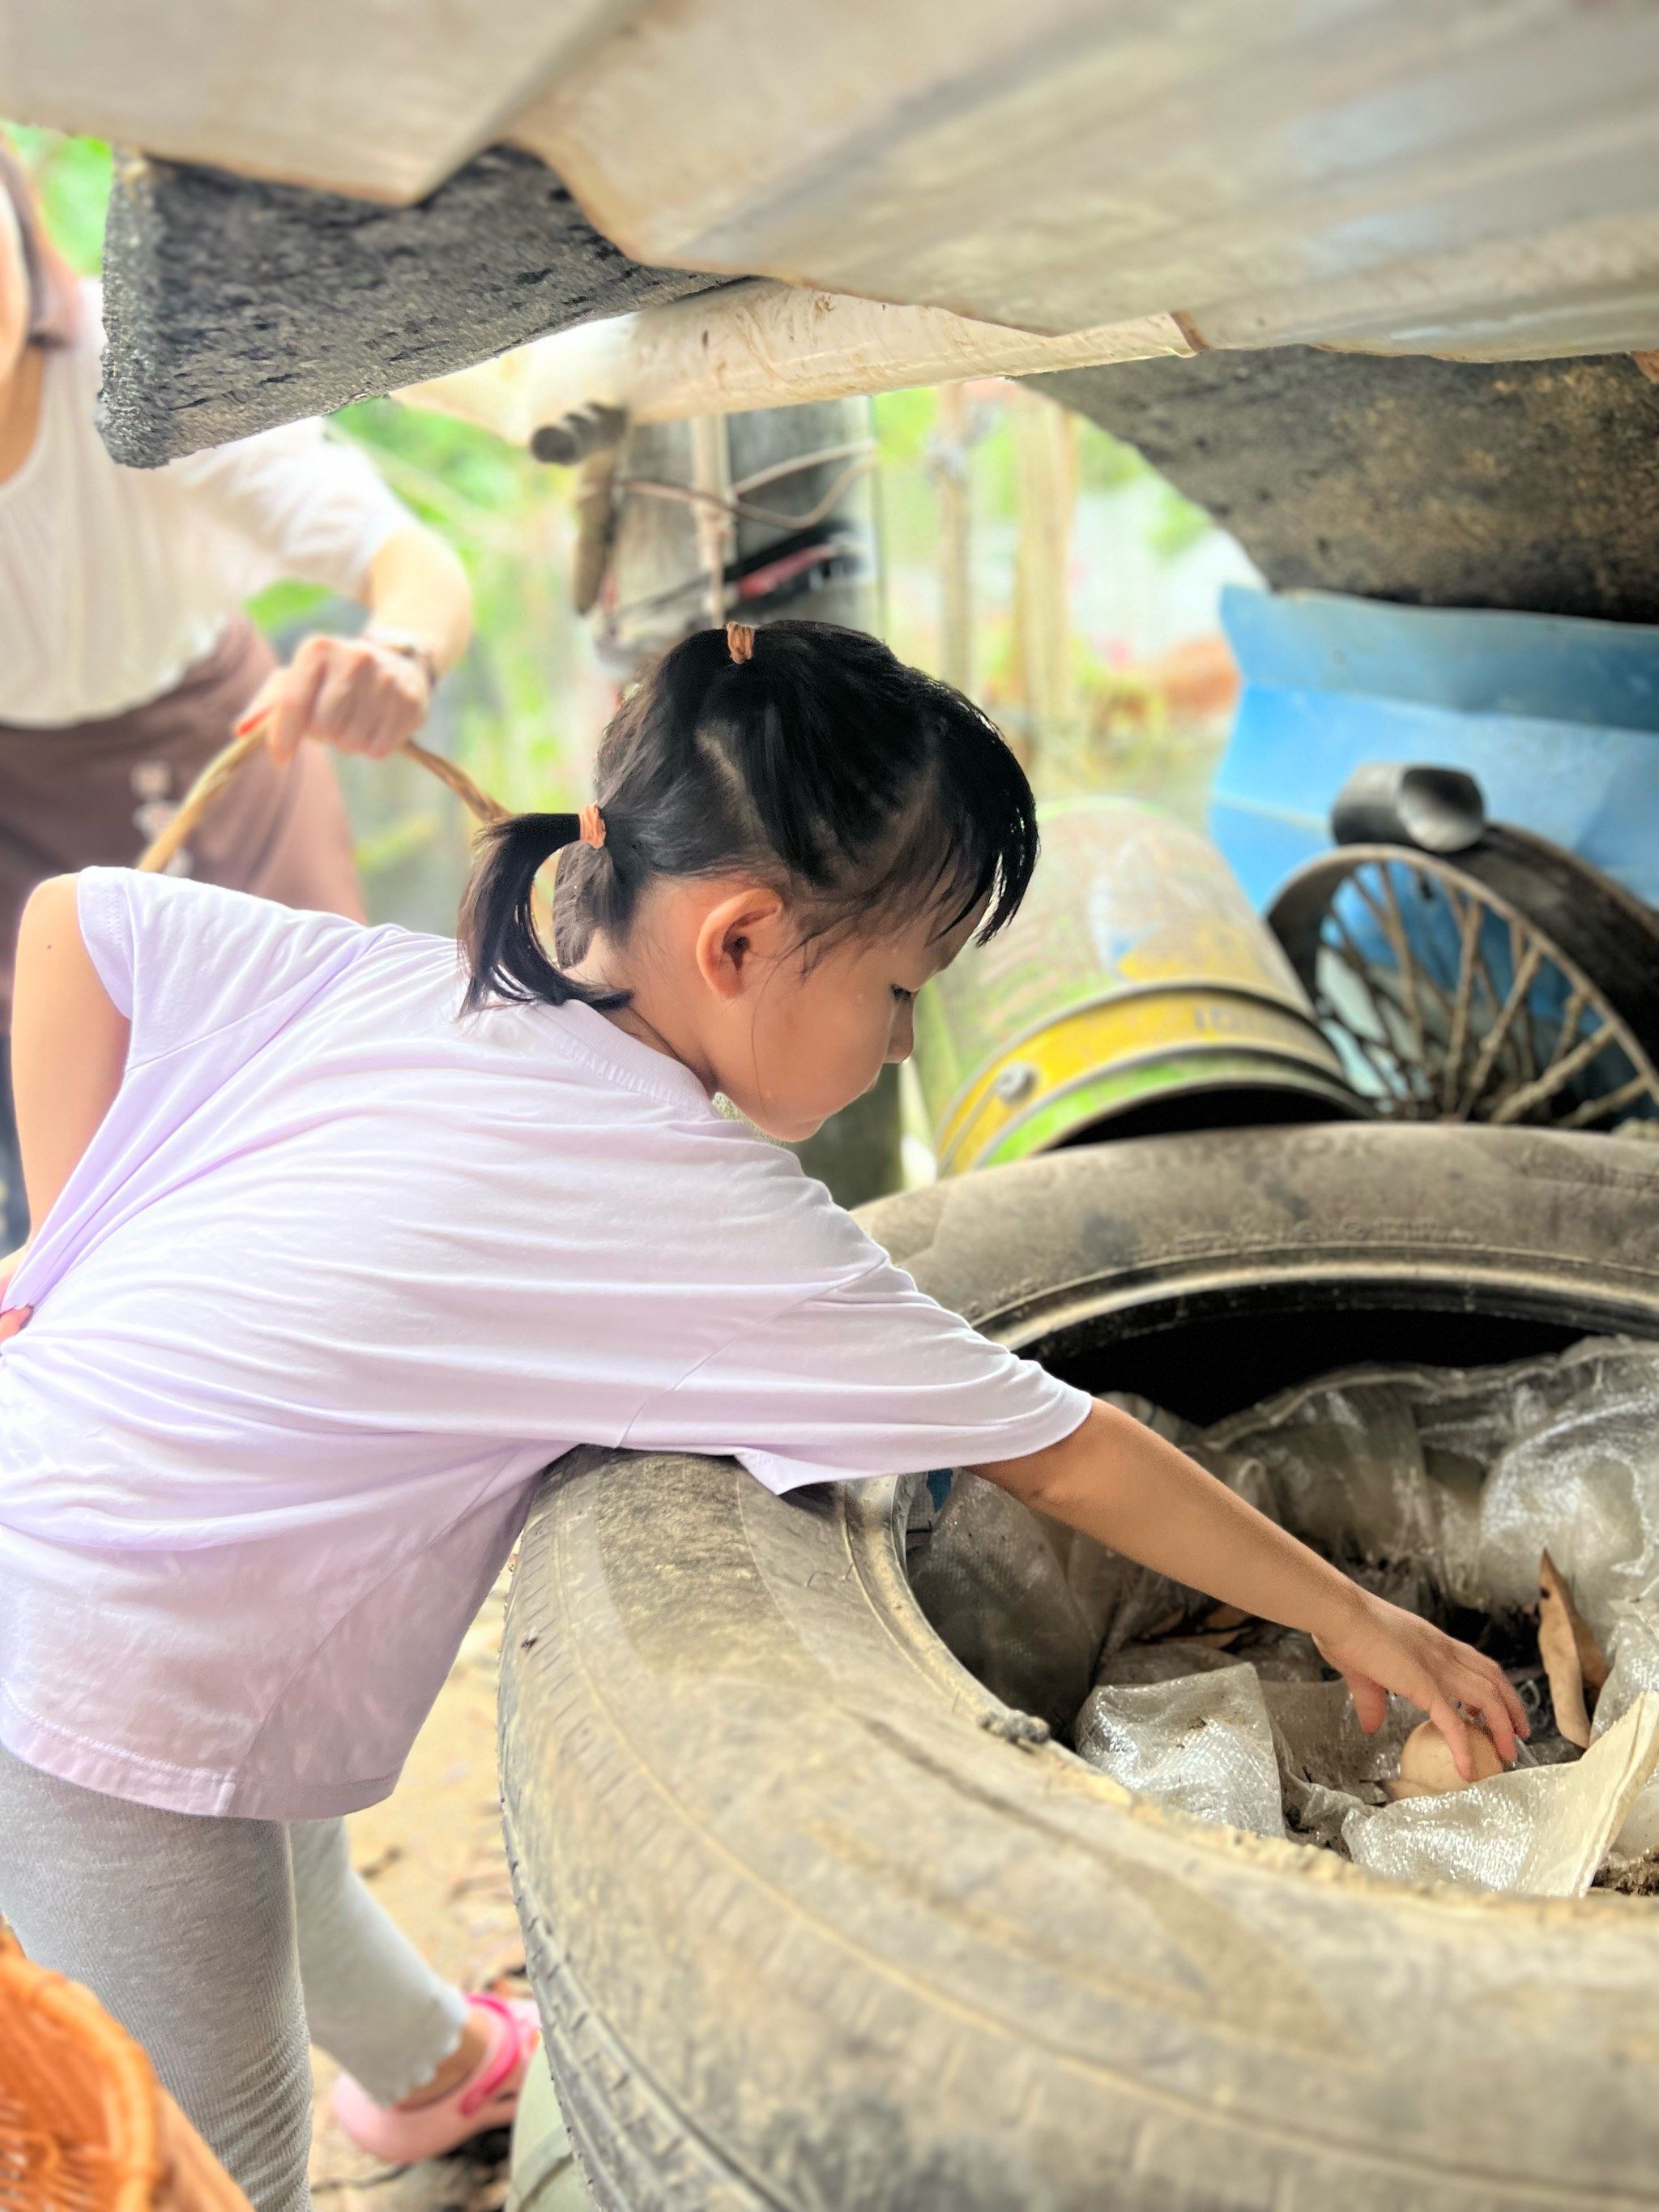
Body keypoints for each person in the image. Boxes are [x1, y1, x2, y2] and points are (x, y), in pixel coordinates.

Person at [0, 620, 1525, 2211]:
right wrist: (1357, 1617)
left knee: (275, 1823)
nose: (904, 1039)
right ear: (737, 942)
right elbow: (1066, 1454)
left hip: (68, 1520)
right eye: (899, 989)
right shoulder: (693, 1210)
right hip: (107, 1664)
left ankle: (435, 2071)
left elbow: (78, 927)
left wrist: (60, 1242)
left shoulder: (414, 980)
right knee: (199, 2146)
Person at [0, 139, 472, 1245]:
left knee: (314, 1139)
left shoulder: (137, 368)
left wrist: (399, 658)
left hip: (227, 775)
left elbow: (410, 562)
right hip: (16, 832)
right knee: (75, 1211)